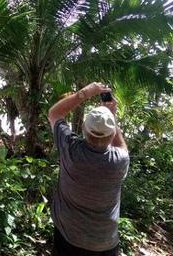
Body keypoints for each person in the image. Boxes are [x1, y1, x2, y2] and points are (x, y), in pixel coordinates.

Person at [47, 83, 129, 256]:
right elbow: (120, 145)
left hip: (68, 239)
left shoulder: (71, 149)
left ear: (84, 129)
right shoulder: (119, 161)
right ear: (113, 133)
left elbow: (54, 113)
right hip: (105, 244)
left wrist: (84, 93)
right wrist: (112, 116)